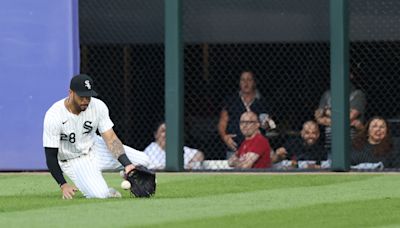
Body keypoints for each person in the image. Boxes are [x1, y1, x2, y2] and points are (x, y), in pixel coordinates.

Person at [43, 74, 150, 199]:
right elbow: (50, 156)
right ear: (70, 93)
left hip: (95, 147)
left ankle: (126, 173)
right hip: (74, 159)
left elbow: (111, 139)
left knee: (143, 160)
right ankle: (105, 190)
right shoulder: (54, 115)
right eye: (81, 96)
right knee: (100, 195)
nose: (85, 100)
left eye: (88, 96)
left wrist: (127, 164)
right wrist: (63, 184)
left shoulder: (98, 106)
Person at [218, 70, 275, 159]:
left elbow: (269, 125)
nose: (246, 83)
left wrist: (267, 125)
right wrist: (225, 137)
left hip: (256, 149)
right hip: (235, 147)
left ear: (254, 83)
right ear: (239, 83)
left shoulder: (263, 102)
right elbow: (222, 123)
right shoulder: (231, 101)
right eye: (243, 80)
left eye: (249, 80)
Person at [314, 69, 366, 154]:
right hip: (330, 143)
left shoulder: (357, 94)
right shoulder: (327, 94)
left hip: (352, 143)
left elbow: (349, 117)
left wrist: (327, 112)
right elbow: (318, 117)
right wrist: (343, 120)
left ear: (351, 76)